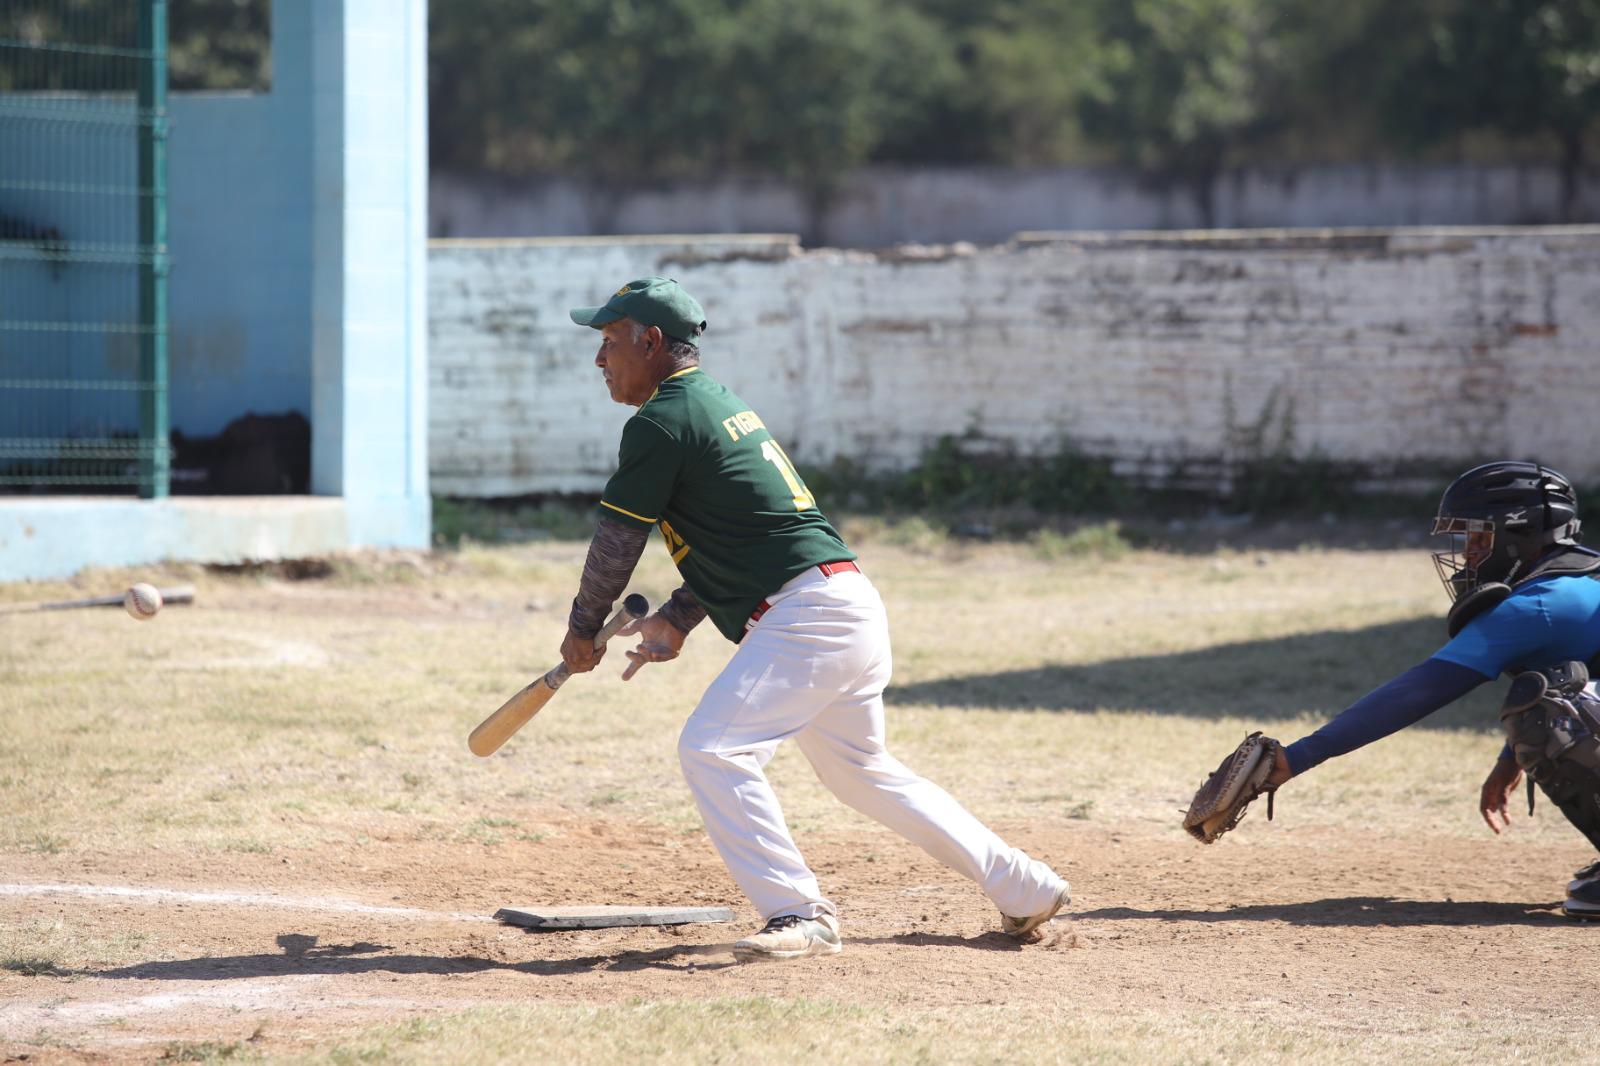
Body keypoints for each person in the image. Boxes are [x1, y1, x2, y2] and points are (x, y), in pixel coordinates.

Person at [556, 276, 1070, 962]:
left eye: (611, 341)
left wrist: (582, 627)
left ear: (651, 343)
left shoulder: (660, 422)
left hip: (808, 616)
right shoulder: (713, 405)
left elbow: (617, 542)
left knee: (713, 749)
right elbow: (746, 534)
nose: (601, 359)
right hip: (842, 602)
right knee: (862, 772)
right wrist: (679, 615)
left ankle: (797, 911)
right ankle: (1025, 885)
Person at [1251, 461, 1600, 919]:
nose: (1468, 553)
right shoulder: (1577, 581)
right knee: (1549, 707)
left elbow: (1418, 691)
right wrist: (1510, 758)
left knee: (1545, 716)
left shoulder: (1538, 605)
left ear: (1519, 536)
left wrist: (1297, 756)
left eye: (1478, 537)